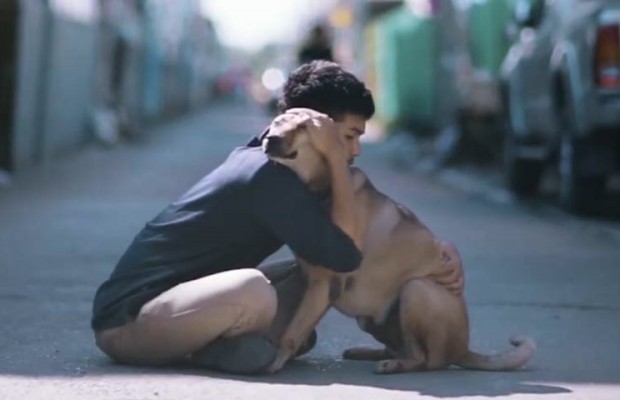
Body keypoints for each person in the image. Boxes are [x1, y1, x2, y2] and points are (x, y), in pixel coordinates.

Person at [91, 61, 463, 375]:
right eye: (348, 137)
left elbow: (373, 231)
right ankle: (229, 346)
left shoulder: (292, 169)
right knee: (255, 291)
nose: (355, 151)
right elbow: (344, 253)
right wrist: (334, 158)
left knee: (310, 281)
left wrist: (435, 256)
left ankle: (245, 340)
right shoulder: (268, 176)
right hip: (129, 320)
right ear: (319, 133)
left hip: (189, 302)